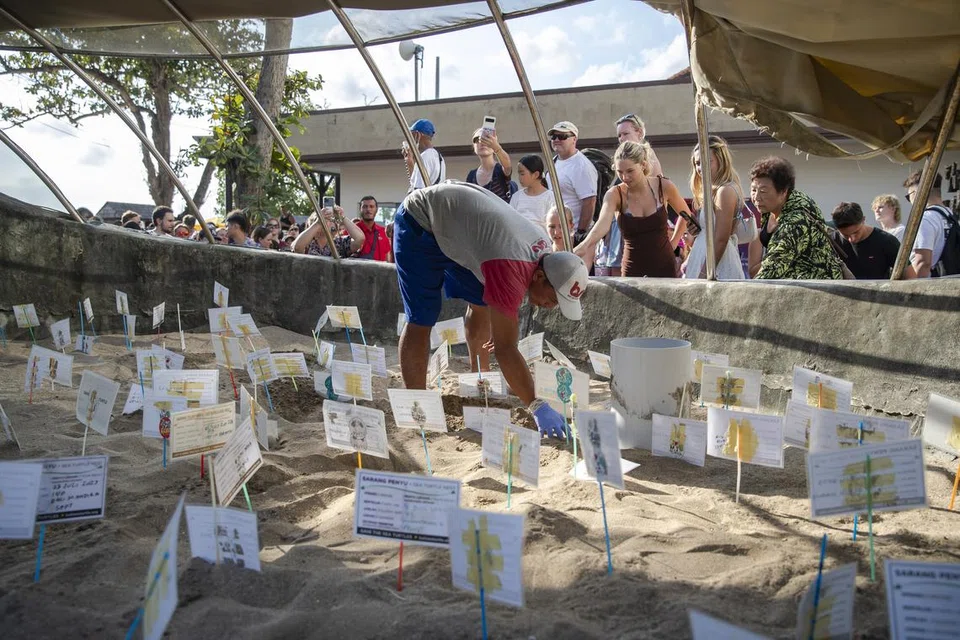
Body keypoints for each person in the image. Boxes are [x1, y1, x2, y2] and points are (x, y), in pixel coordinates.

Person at [394, 181, 588, 439]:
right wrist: (537, 404)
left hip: (459, 227)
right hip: (420, 220)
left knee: (482, 299)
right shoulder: (510, 267)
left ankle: (480, 380)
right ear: (540, 277)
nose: (551, 307)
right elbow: (506, 347)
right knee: (423, 315)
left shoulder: (542, 254)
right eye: (554, 299)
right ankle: (415, 407)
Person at [573, 141, 688, 277]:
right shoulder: (615, 194)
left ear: (643, 165)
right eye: (619, 172)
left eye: (630, 171)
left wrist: (674, 242)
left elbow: (686, 215)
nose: (624, 177)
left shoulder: (663, 186)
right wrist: (584, 246)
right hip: (632, 266)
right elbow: (602, 224)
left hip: (664, 264)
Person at [747, 156, 843, 280]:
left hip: (815, 288)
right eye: (753, 190)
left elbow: (774, 267)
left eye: (763, 191)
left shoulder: (797, 220)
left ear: (783, 192)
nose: (756, 197)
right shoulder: (772, 206)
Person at [684, 136, 746, 280]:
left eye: (707, 161)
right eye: (697, 163)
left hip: (717, 264)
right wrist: (699, 229)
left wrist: (705, 273)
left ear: (721, 160)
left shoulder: (725, 190)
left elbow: (721, 238)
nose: (700, 168)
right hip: (704, 256)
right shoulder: (714, 190)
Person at [831, 202, 911, 279]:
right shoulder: (831, 242)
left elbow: (910, 275)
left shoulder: (886, 241)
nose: (852, 239)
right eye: (845, 235)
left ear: (863, 220)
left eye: (856, 232)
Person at [548, 121, 597, 245]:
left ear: (574, 139)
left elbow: (589, 201)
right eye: (554, 137)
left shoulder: (581, 166)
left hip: (572, 236)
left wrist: (579, 234)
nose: (557, 140)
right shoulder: (554, 162)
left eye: (562, 136)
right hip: (557, 235)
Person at [904, 170, 954, 277]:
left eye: (909, 196)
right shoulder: (951, 215)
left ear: (916, 193)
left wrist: (916, 288)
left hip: (933, 285)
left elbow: (923, 262)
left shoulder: (925, 218)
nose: (910, 201)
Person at [292, 205, 364, 257]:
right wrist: (318, 223)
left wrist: (342, 217)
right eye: (324, 219)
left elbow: (360, 239)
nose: (327, 222)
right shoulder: (307, 244)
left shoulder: (339, 243)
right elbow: (297, 247)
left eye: (330, 219)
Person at [509, 155, 553, 236]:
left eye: (522, 174)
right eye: (519, 174)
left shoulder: (550, 197)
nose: (519, 177)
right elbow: (511, 221)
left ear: (536, 174)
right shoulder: (516, 197)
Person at [466, 127, 512, 202]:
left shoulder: (500, 169)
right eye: (477, 139)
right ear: (474, 146)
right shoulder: (471, 176)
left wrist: (496, 147)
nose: (482, 142)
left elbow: (507, 166)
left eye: (487, 139)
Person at [615, 113, 663, 177]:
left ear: (639, 132)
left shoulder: (647, 155)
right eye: (619, 135)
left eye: (625, 134)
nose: (621, 138)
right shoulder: (623, 156)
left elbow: (658, 183)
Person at [403, 119, 445, 191]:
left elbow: (417, 192)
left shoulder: (425, 156)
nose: (410, 140)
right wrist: (410, 162)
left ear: (417, 135)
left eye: (411, 135)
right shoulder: (438, 157)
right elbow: (419, 182)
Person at [354, 195, 391, 261]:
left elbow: (387, 258)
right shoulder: (352, 230)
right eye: (365, 207)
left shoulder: (383, 232)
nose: (368, 209)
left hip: (381, 271)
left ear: (376, 209)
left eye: (371, 206)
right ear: (360, 209)